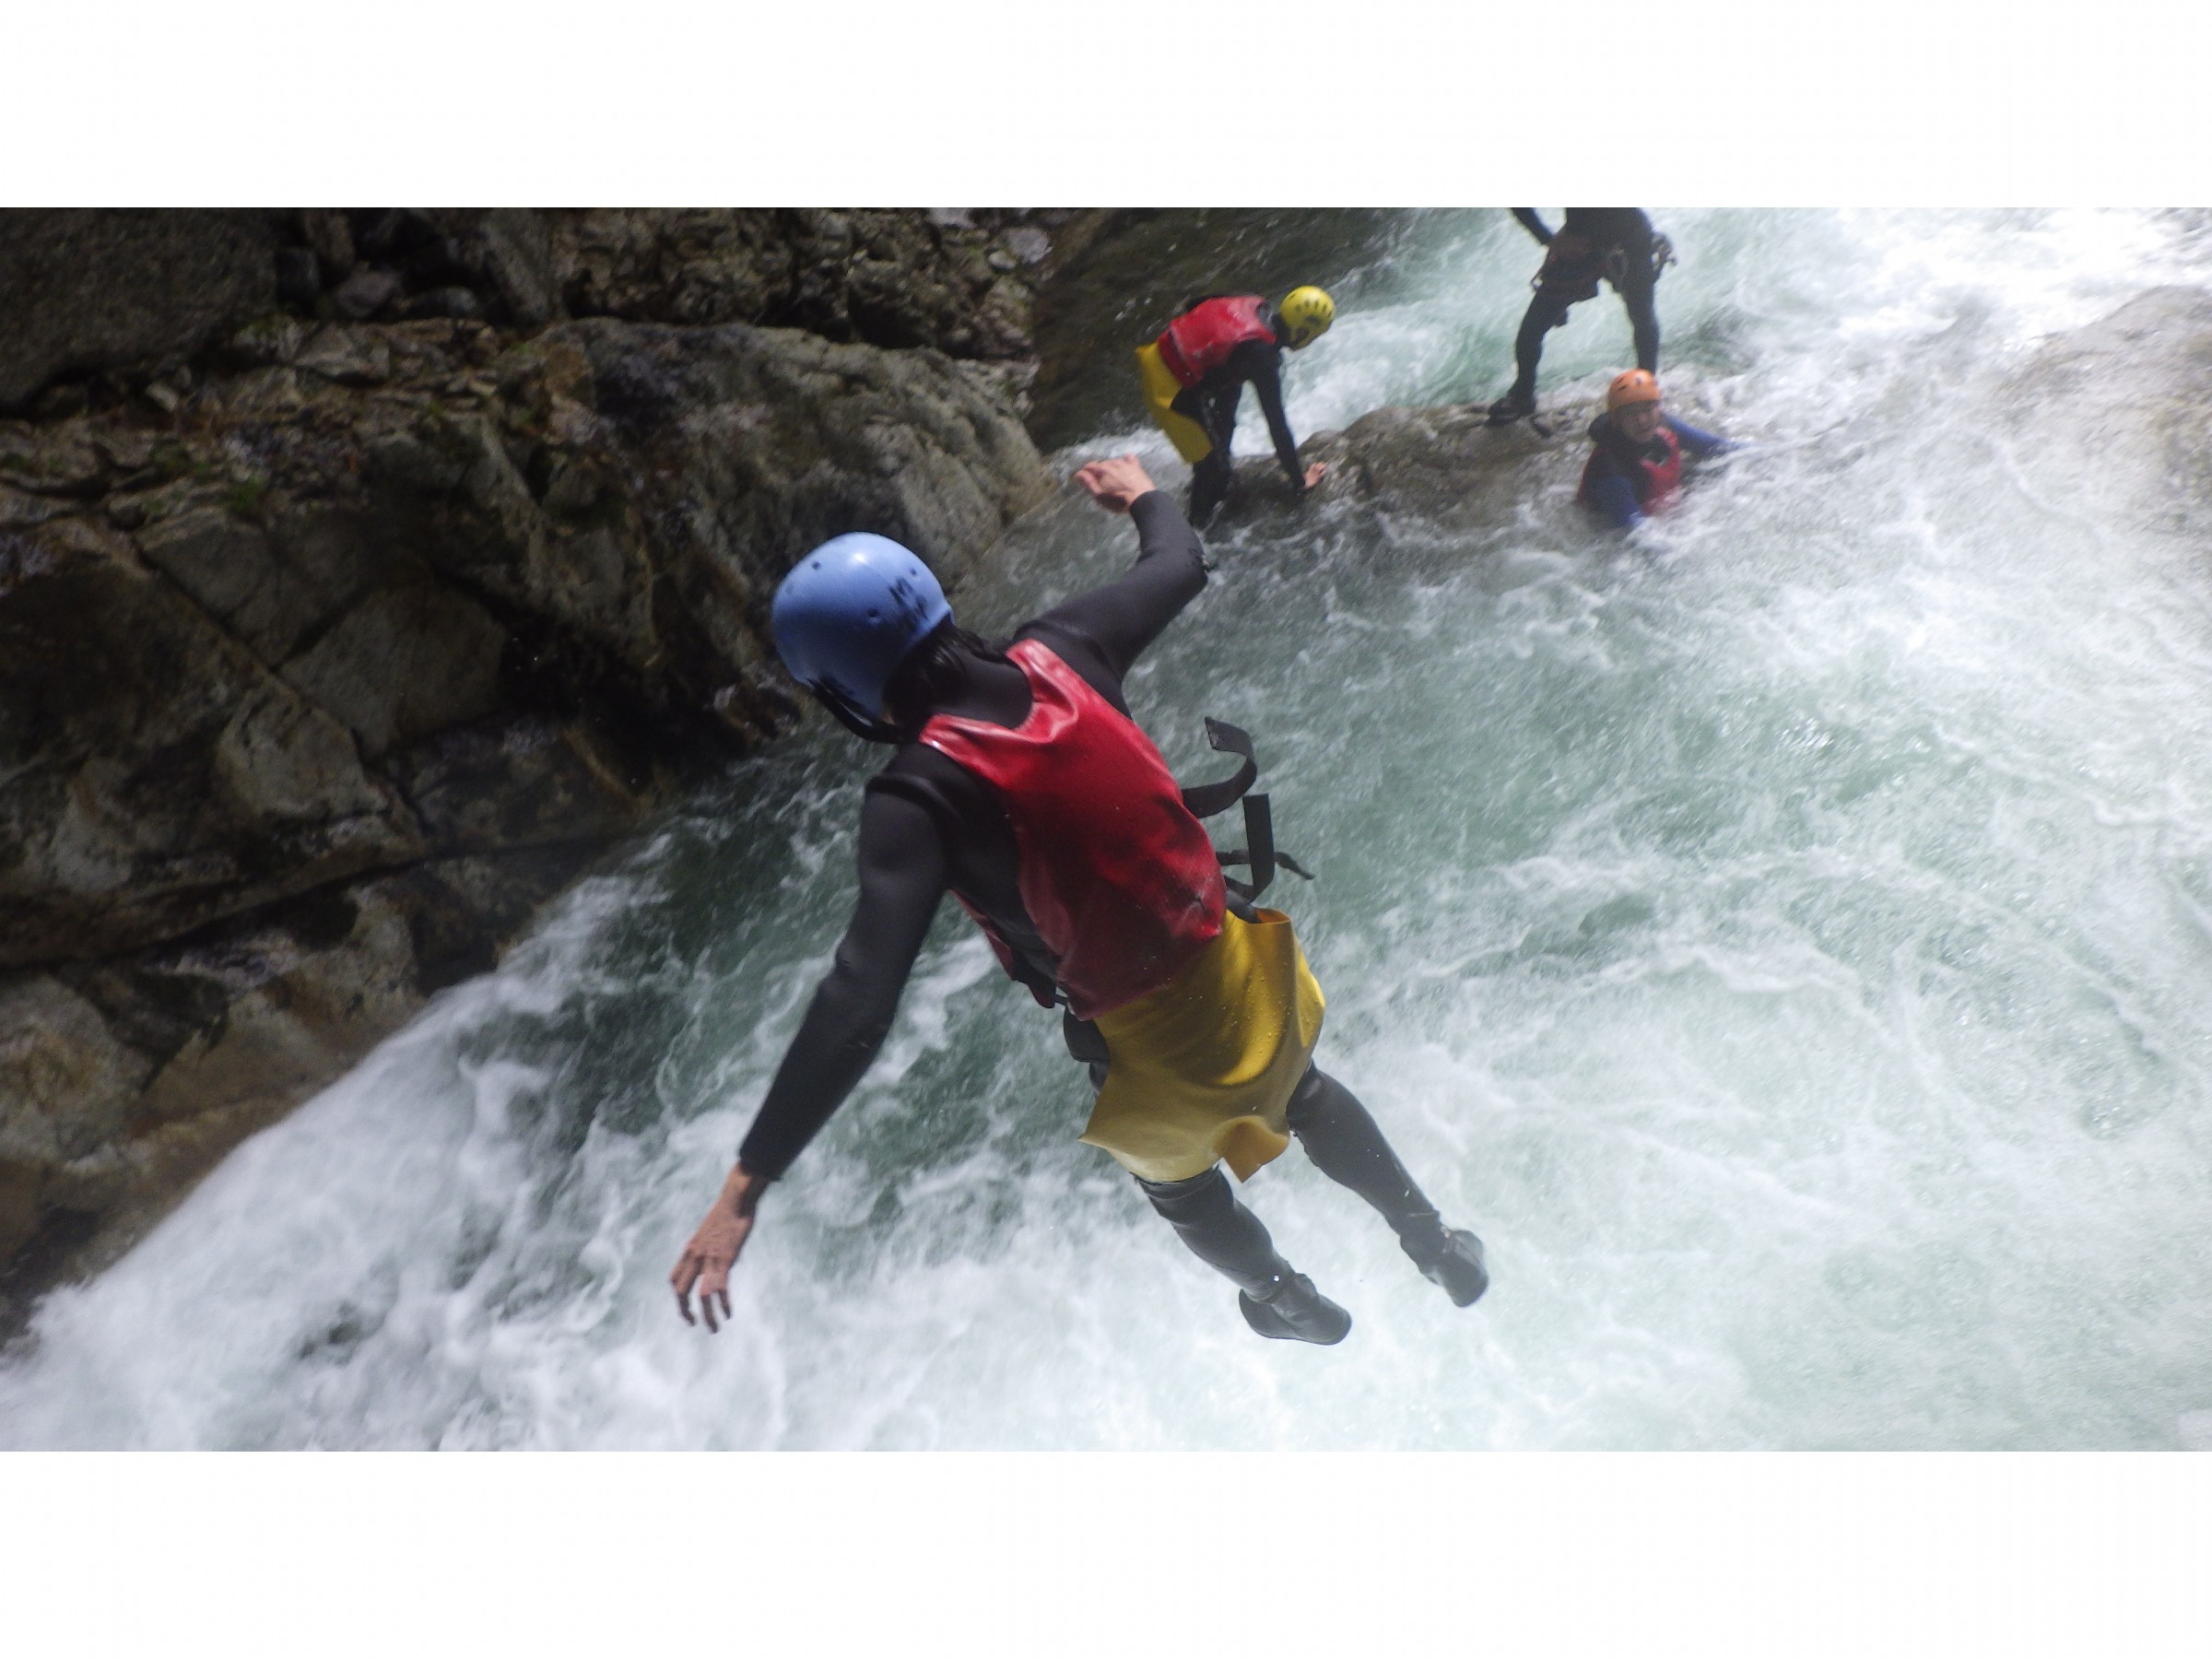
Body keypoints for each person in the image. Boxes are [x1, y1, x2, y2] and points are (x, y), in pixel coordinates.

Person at [670, 455, 1487, 1347]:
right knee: (1309, 1094)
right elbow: (1178, 561)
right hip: (1248, 968)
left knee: (1180, 1187)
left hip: (1153, 1052)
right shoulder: (1064, 650)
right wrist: (1142, 497)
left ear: (843, 691)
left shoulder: (919, 796)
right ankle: (1430, 1236)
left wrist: (745, 1185)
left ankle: (1281, 1297)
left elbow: (858, 1001)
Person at [1135, 288, 1335, 527]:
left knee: (1231, 387)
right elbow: (1277, 425)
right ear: (1302, 331)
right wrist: (1299, 480)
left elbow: (1197, 303)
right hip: (1167, 388)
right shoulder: (1263, 357)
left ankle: (1214, 466)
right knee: (1216, 472)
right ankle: (1194, 539)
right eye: (1313, 335)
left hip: (1159, 350)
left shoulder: (1255, 303)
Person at [1488, 209, 1672, 426]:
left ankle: (1645, 392)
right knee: (1533, 328)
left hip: (1630, 241)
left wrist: (1549, 239)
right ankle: (1522, 395)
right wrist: (1548, 239)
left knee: (1642, 318)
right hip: (1579, 243)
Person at [1577, 370, 1732, 530]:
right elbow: (1637, 531)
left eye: (1647, 409)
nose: (1642, 420)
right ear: (1617, 419)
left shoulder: (1666, 425)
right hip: (1618, 525)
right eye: (1631, 414)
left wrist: (1758, 452)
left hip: (1659, 504)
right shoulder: (1610, 469)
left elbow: (1717, 446)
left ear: (1658, 409)